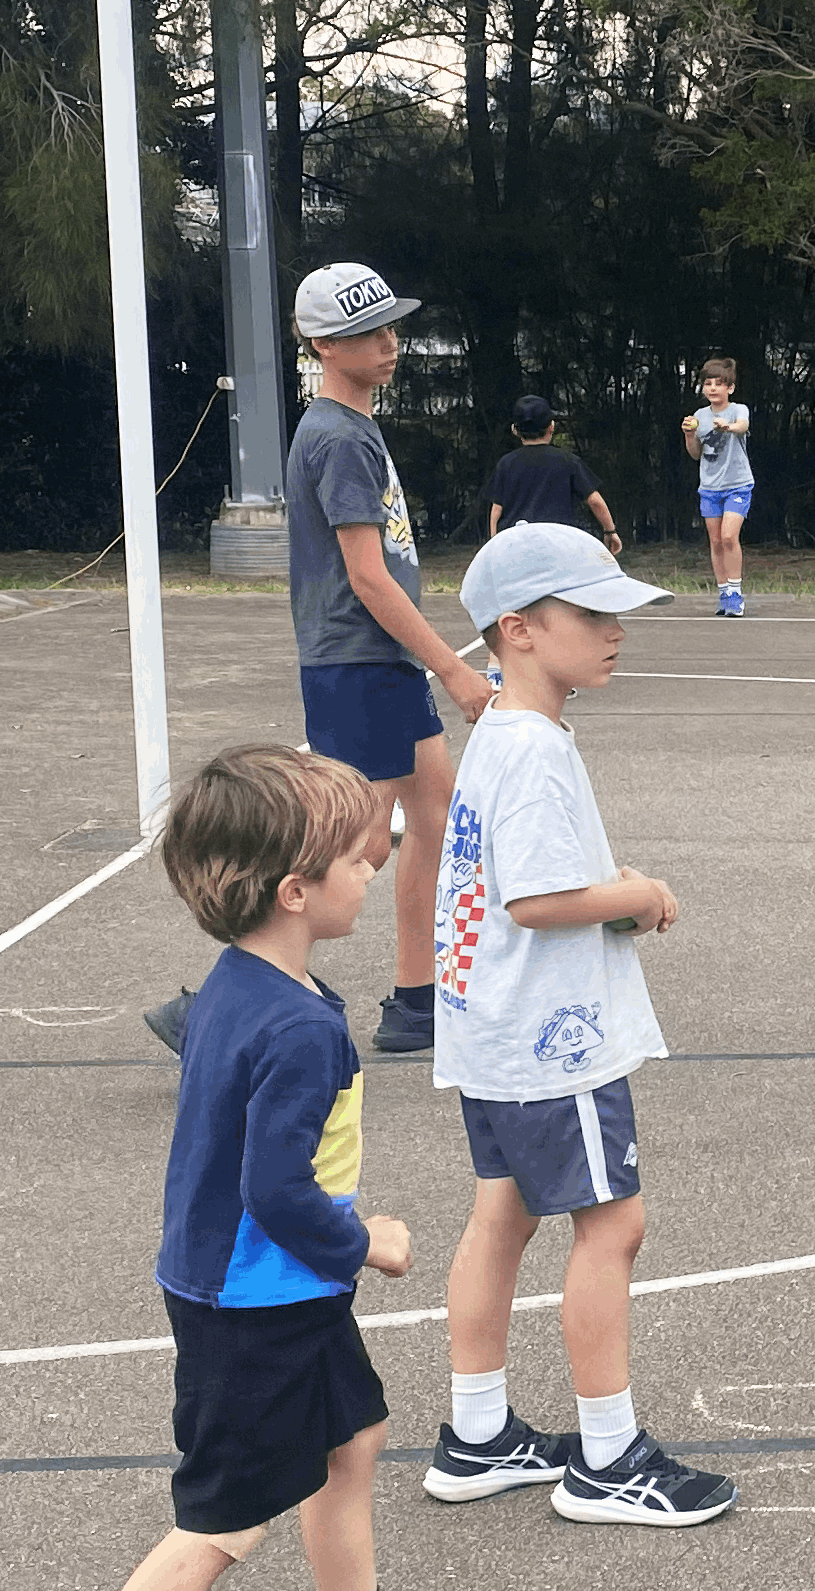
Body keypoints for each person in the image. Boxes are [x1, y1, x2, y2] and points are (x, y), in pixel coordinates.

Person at [10, 747, 468, 1591]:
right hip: (256, 1302)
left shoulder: (246, 984)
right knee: (220, 1523)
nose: (377, 862)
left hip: (267, 1290)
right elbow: (278, 1188)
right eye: (357, 855)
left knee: (353, 1438)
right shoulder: (301, 1027)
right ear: (294, 891)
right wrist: (368, 1241)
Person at [423, 522, 739, 1526]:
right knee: (613, 1225)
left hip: (492, 1030)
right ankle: (608, 1457)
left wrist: (609, 889)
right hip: (551, 1040)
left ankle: (479, 1433)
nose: (615, 631)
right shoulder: (529, 748)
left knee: (503, 1214)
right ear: (518, 629)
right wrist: (634, 894)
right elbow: (537, 898)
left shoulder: (503, 732)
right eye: (592, 614)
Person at [143, 262, 494, 1061]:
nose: (388, 342)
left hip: (379, 661)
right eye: (366, 332)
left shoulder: (353, 426)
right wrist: (453, 667)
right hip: (358, 662)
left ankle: (417, 1000)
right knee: (350, 848)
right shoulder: (335, 436)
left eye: (390, 326)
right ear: (321, 345)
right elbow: (366, 577)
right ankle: (213, 1010)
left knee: (436, 817)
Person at [486, 394, 621, 553]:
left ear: (515, 430)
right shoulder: (568, 460)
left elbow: (497, 509)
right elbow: (594, 501)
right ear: (552, 426)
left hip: (515, 546)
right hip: (558, 546)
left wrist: (493, 545)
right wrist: (610, 531)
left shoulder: (505, 463)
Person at [683, 357, 753, 617]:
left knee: (728, 537)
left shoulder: (738, 410)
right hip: (710, 488)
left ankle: (735, 594)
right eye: (708, 384)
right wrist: (689, 435)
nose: (712, 388)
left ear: (730, 388)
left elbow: (743, 426)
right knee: (715, 541)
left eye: (718, 384)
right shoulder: (699, 416)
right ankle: (724, 593)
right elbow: (695, 454)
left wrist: (728, 426)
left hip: (738, 485)